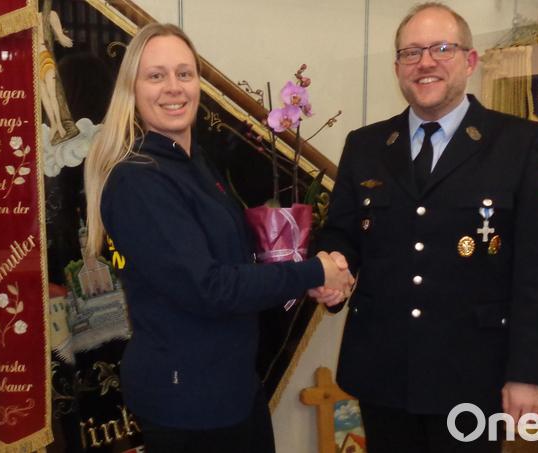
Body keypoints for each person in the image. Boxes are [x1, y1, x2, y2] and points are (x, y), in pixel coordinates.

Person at [83, 23, 354, 453]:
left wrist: (313, 273)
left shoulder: (192, 161)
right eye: (156, 76)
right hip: (188, 404)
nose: (174, 88)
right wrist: (312, 273)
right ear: (132, 89)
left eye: (184, 73)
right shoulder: (139, 181)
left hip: (231, 389)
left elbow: (237, 259)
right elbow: (210, 286)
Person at [311, 3, 538, 452]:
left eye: (442, 49)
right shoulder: (366, 144)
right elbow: (342, 233)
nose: (425, 62)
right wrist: (331, 265)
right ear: (398, 68)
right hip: (383, 373)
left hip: (474, 376)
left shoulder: (520, 143)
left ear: (470, 60)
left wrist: (529, 372)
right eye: (411, 52)